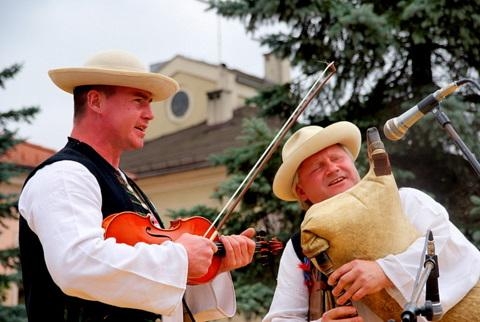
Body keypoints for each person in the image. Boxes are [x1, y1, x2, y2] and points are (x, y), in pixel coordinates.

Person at [18, 50, 257, 322]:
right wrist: (180, 259)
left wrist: (209, 265)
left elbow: (154, 299)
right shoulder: (64, 175)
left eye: (150, 103)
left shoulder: (120, 181)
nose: (150, 114)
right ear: (96, 101)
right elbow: (77, 263)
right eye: (139, 101)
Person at [262, 122, 480, 322]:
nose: (332, 168)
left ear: (353, 164)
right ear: (301, 191)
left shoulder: (404, 201)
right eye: (317, 167)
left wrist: (386, 271)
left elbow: (453, 251)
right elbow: (282, 318)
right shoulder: (299, 247)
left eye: (337, 158)